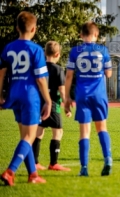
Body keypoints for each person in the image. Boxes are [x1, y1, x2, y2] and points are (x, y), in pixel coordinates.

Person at [0, 11, 51, 186]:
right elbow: (40, 79)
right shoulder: (36, 49)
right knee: (29, 136)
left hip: (14, 93)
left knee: (25, 136)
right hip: (30, 95)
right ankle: (10, 171)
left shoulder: (8, 47)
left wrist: (0, 95)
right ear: (34, 29)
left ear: (17, 28)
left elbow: (1, 73)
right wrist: (48, 100)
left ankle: (33, 174)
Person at [64, 22, 112, 176]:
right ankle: (108, 160)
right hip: (99, 94)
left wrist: (66, 97)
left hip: (82, 95)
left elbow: (69, 75)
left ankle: (84, 168)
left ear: (81, 35)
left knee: (84, 133)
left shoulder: (75, 51)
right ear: (96, 35)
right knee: (102, 128)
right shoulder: (103, 50)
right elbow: (109, 74)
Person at [32, 41, 71, 171]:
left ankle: (35, 162)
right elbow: (62, 90)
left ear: (44, 53)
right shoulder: (58, 69)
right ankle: (53, 163)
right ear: (57, 54)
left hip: (39, 104)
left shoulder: (39, 67)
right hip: (53, 105)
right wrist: (66, 105)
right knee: (58, 132)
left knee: (39, 131)